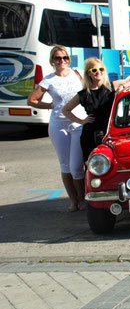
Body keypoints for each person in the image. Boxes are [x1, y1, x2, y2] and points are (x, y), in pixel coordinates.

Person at [27, 45, 85, 212]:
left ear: (69, 59)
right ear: (52, 61)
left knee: (76, 166)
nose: (62, 61)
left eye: (65, 57)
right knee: (65, 166)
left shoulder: (78, 73)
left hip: (78, 123)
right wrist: (51, 105)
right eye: (58, 58)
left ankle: (82, 199)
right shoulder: (48, 80)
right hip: (59, 125)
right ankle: (73, 201)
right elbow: (32, 100)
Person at [62, 58, 130, 162]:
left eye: (101, 69)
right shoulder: (83, 94)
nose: (98, 72)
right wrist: (81, 121)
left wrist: (123, 86)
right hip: (90, 134)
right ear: (88, 74)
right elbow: (66, 110)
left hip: (109, 131)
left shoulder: (111, 87)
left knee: (111, 164)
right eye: (94, 70)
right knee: (91, 165)